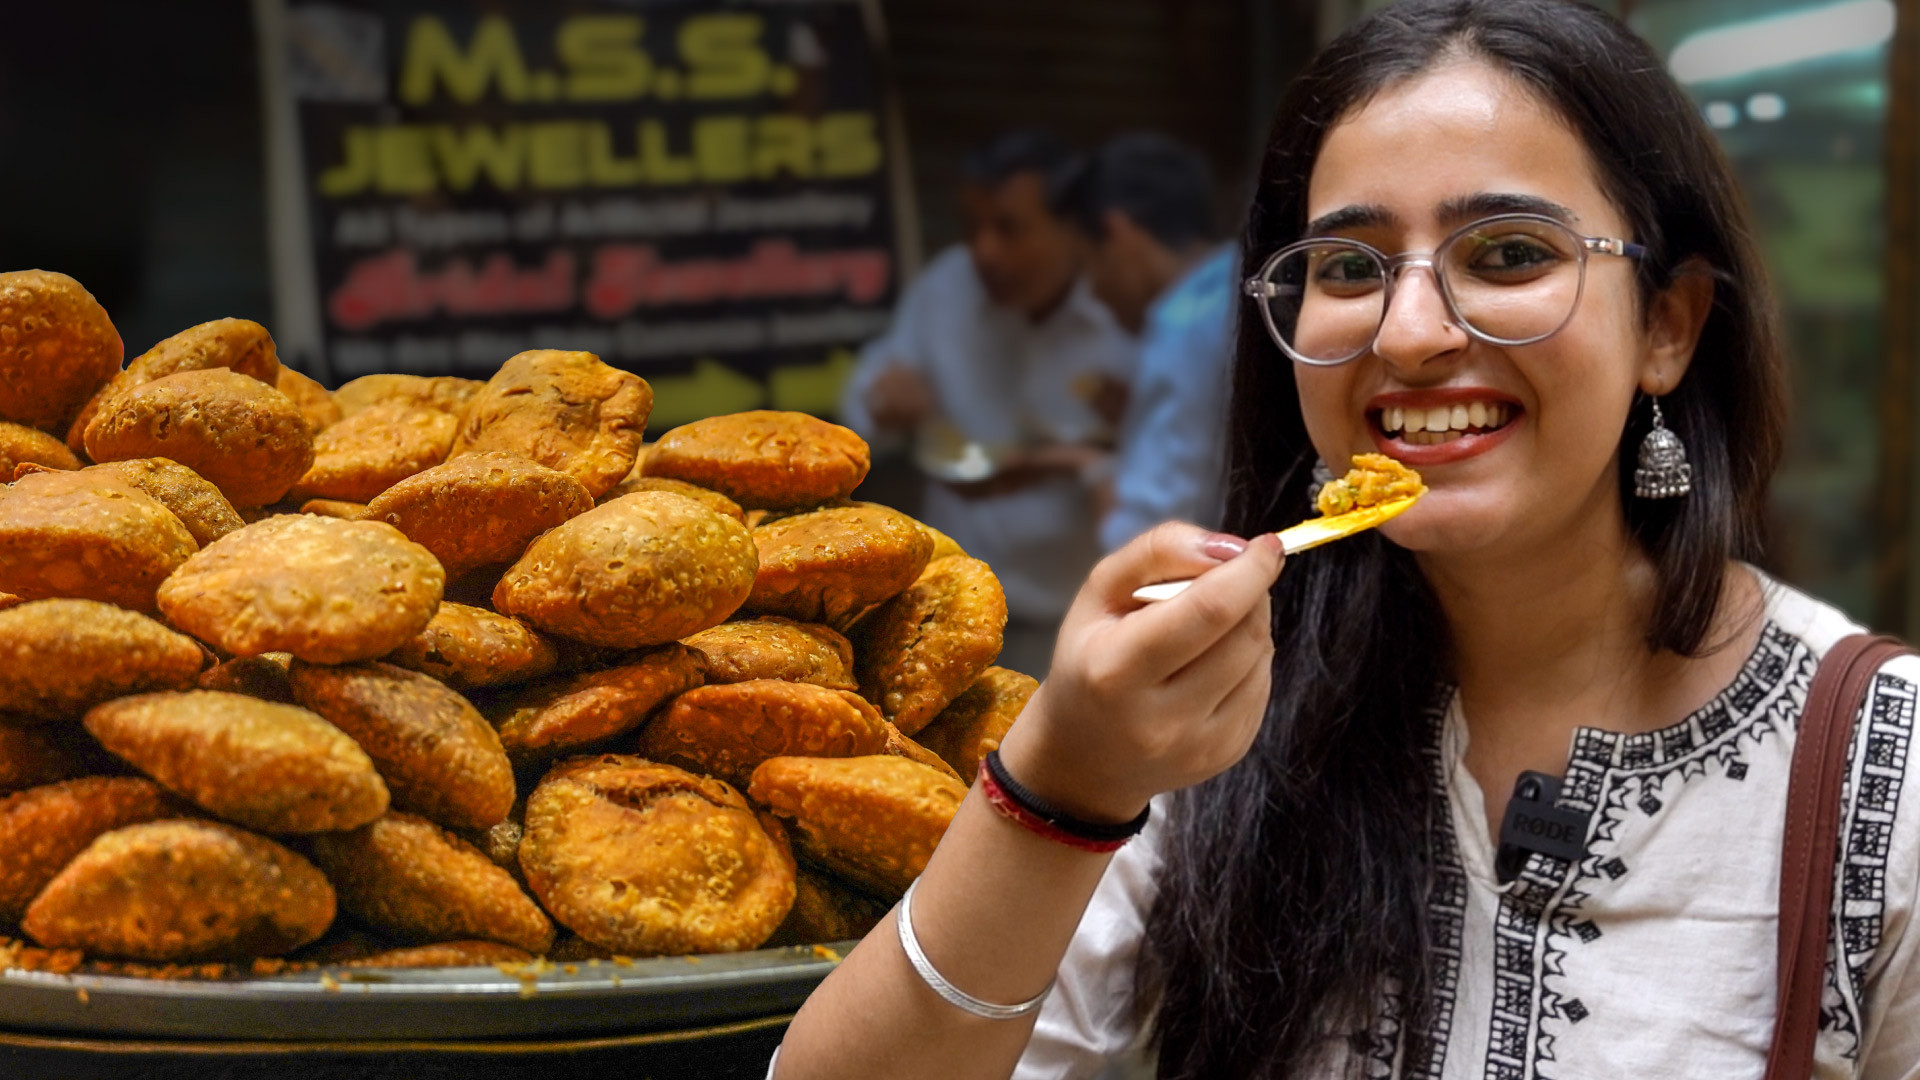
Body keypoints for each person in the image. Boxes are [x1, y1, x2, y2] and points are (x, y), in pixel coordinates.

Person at [776, 2, 1920, 1078]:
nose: (1411, 332)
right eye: (1348, 268)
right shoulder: (1209, 726)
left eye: (1510, 253)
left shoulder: (1890, 767)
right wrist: (1061, 784)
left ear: (1666, 325)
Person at [840, 131, 1134, 681]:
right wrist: (882, 399)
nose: (985, 251)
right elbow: (862, 402)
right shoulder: (948, 288)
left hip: (1080, 624)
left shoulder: (1126, 312)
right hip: (945, 616)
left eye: (1009, 228)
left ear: (1074, 229)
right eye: (972, 227)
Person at [1059, 133, 1236, 551]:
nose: (1094, 291)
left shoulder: (1183, 324)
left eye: (1088, 264)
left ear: (1118, 234)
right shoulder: (1246, 276)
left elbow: (1144, 537)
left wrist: (1091, 467)